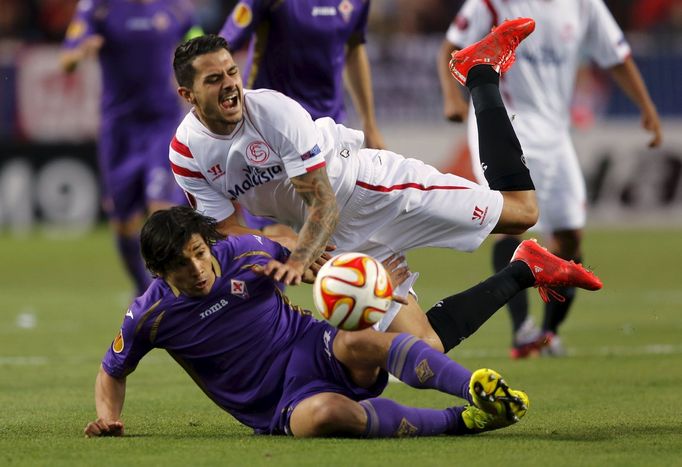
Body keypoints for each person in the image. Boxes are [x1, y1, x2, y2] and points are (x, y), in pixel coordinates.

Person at [168, 21, 550, 354]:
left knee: (522, 214)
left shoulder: (271, 111)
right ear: (188, 95)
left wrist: (299, 257)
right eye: (214, 79)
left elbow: (324, 203)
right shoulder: (187, 153)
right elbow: (222, 229)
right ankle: (525, 269)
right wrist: (282, 245)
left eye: (232, 72)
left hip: (370, 190)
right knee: (424, 348)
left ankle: (480, 74)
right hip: (331, 241)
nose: (230, 84)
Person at [83, 206, 601, 438]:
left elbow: (308, 261)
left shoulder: (243, 252)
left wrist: (368, 280)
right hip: (279, 405)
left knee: (362, 342)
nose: (197, 269)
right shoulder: (150, 314)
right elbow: (113, 368)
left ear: (208, 244)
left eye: (199, 253)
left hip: (313, 347)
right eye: (181, 264)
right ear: (157, 270)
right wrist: (109, 417)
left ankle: (480, 388)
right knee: (322, 418)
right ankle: (462, 422)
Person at [437, 0, 662, 357]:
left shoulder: (584, 5)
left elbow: (616, 56)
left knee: (570, 235)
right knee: (512, 222)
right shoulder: (491, 3)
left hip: (556, 131)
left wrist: (647, 108)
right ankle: (523, 330)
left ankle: (548, 334)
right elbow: (451, 46)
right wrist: (453, 97)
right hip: (505, 120)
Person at [60, 0, 202, 295]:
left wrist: (201, 57)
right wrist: (78, 53)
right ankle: (143, 289)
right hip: (119, 129)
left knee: (161, 211)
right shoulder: (99, 8)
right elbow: (67, 57)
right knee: (124, 225)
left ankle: (170, 295)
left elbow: (197, 40)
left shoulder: (175, 8)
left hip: (162, 124)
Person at [218, 0, 386, 232]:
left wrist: (370, 124)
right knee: (279, 239)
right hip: (270, 132)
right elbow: (221, 50)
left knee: (330, 235)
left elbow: (354, 49)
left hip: (327, 132)